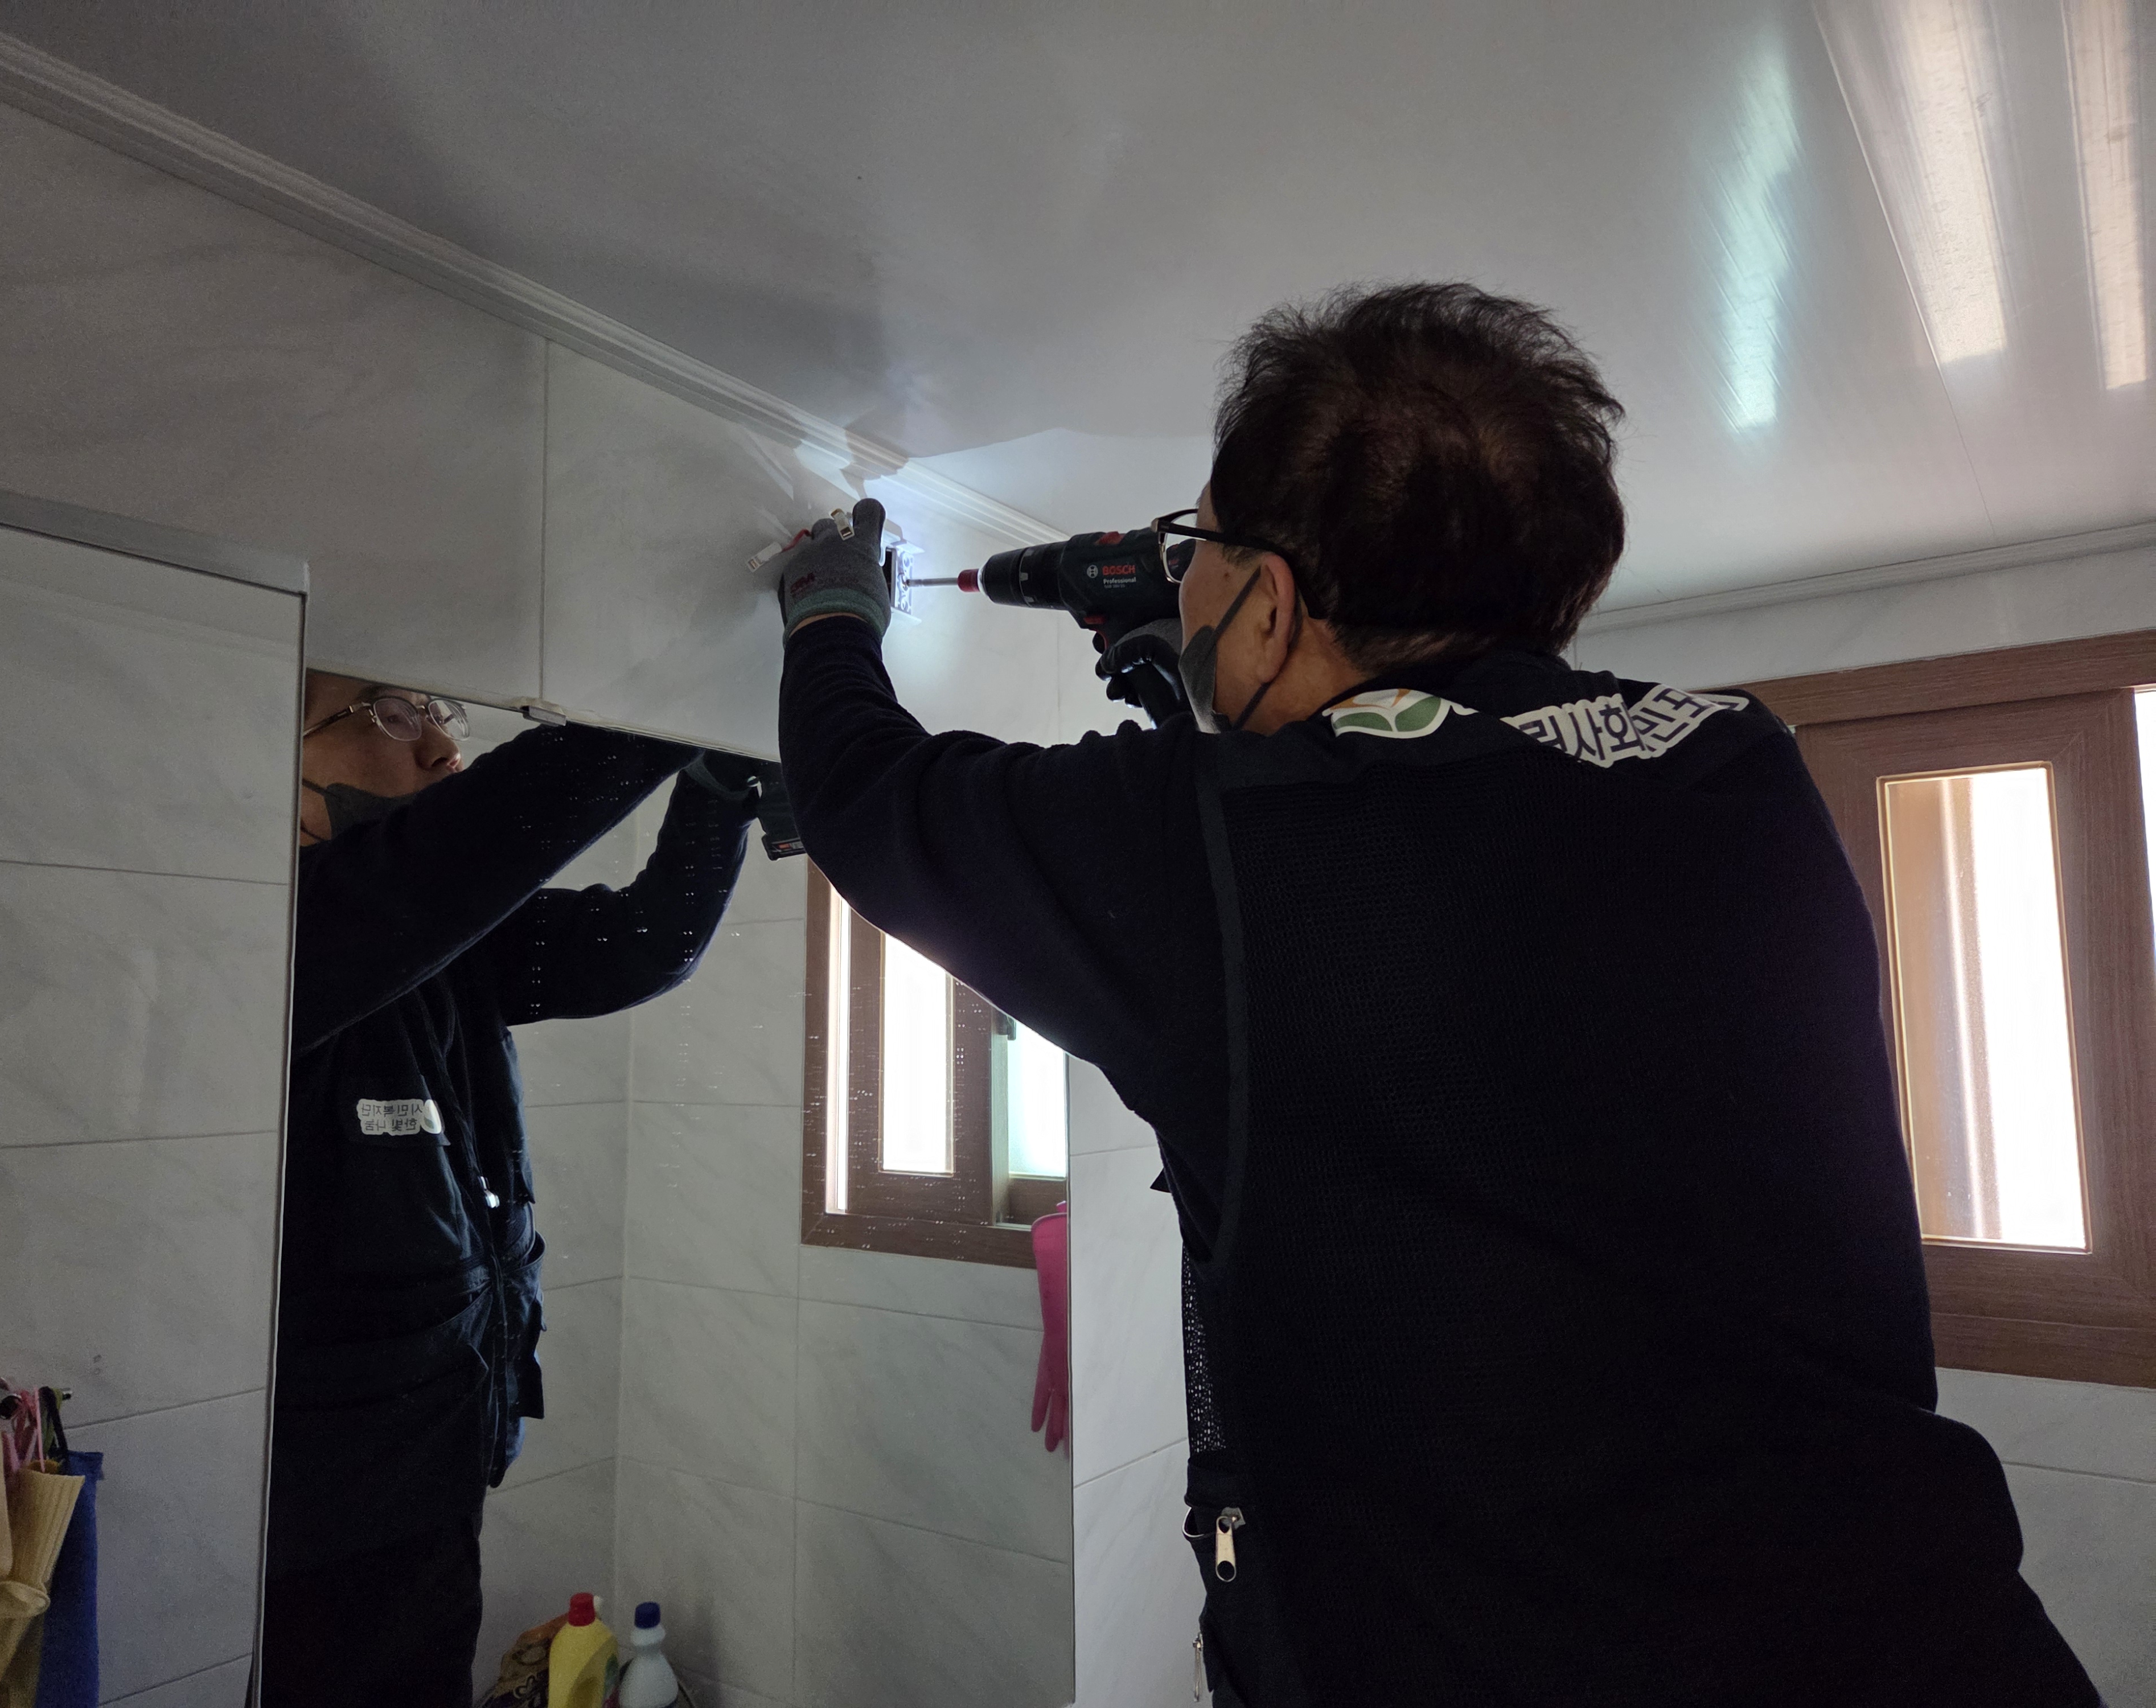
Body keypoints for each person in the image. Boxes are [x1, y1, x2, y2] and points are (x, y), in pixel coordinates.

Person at [772, 285, 2100, 1706]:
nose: (1182, 580)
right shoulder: (1732, 765)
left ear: (1271, 603)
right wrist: (1220, 715)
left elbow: (871, 802)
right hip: (1929, 1642)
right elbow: (1432, 870)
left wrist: (833, 608)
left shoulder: (1212, 844)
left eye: (1198, 551)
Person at [261, 672, 767, 1707]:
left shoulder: (445, 945)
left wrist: (717, 788)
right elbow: (467, 848)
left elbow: (642, 944)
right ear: (273, 752)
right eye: (390, 714)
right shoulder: (271, 933)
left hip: (435, 1466)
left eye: (437, 716)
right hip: (309, 1514)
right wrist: (687, 685)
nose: (442, 749)